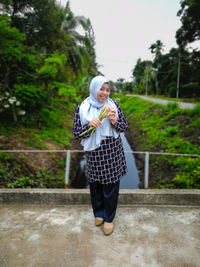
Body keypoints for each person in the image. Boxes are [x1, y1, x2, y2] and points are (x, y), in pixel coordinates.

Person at [73, 75, 128, 235]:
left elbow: (124, 127)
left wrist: (114, 121)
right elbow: (77, 133)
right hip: (93, 153)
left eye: (107, 90)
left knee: (110, 186)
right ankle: (98, 213)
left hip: (111, 152)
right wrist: (89, 125)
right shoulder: (82, 107)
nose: (104, 93)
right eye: (101, 89)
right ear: (94, 89)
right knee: (95, 185)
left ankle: (109, 218)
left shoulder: (114, 105)